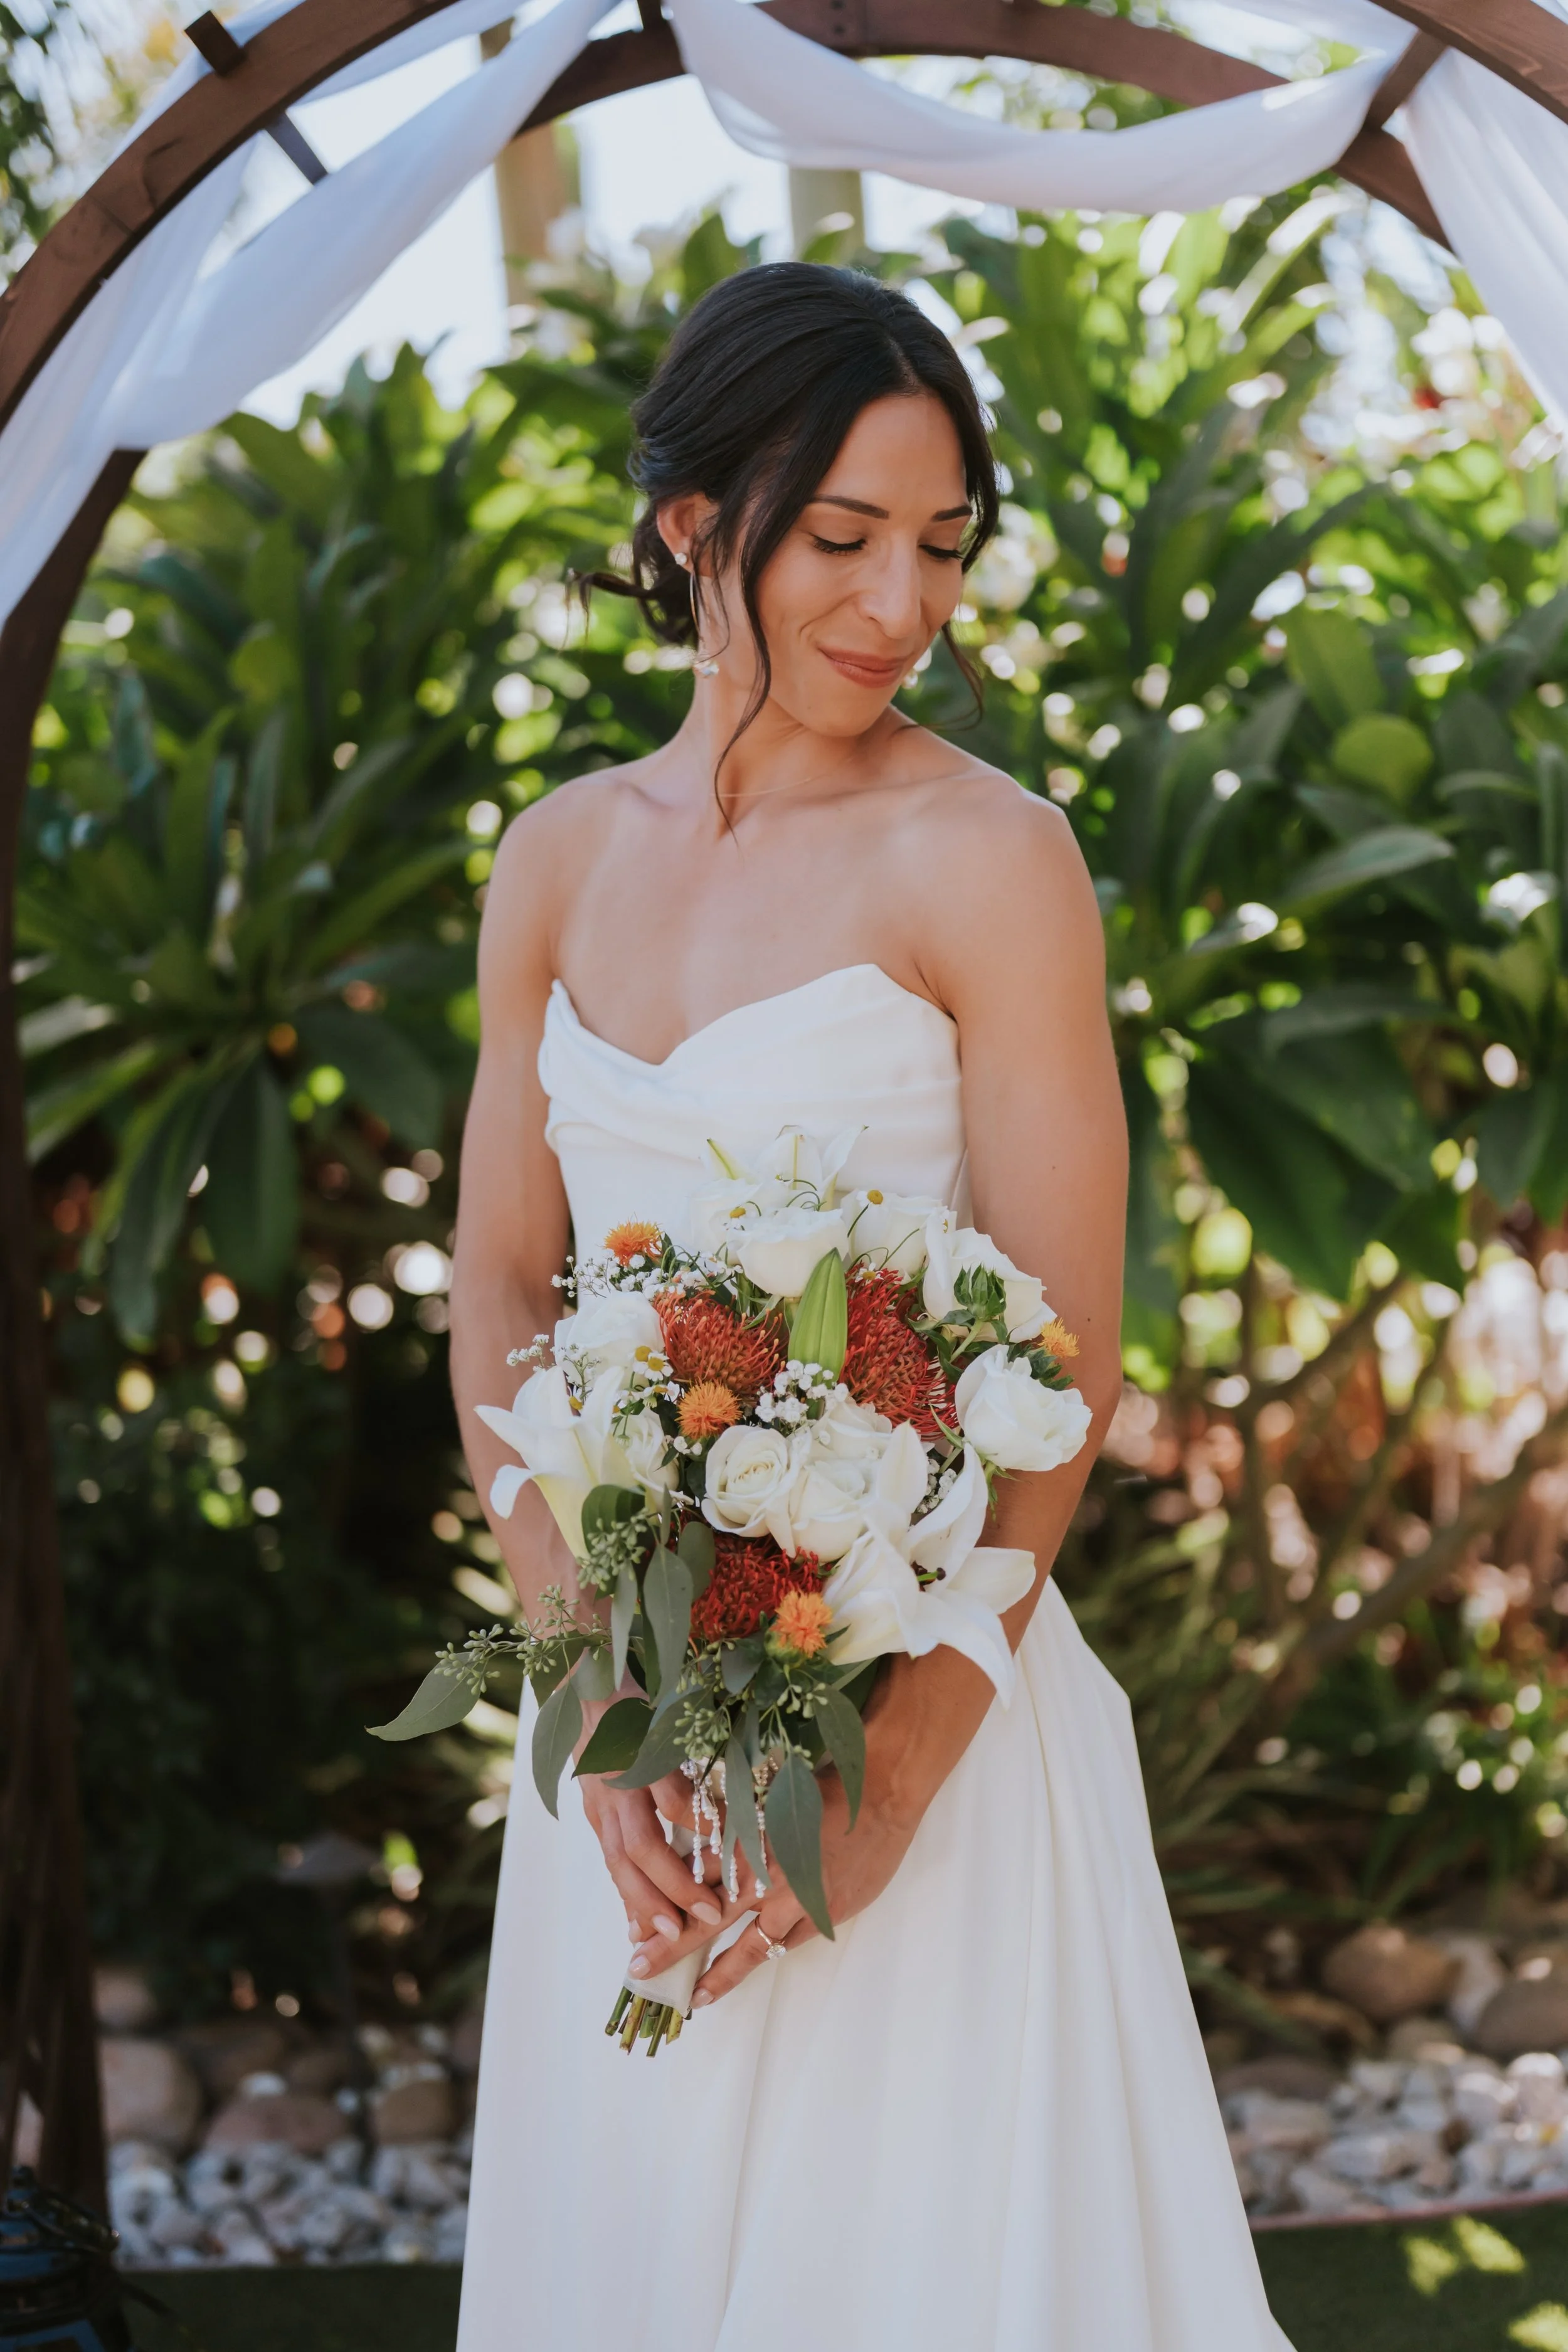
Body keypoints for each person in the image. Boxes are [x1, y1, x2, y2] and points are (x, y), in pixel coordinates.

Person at [448, 262, 1291, 2352]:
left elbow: (1065, 1366)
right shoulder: (553, 859)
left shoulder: (991, 855)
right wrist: (591, 1694)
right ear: (688, 525)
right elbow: (496, 1293)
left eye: (940, 545)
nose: (898, 601)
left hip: (922, 1723)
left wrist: (888, 1785)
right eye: (839, 538)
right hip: (629, 1771)